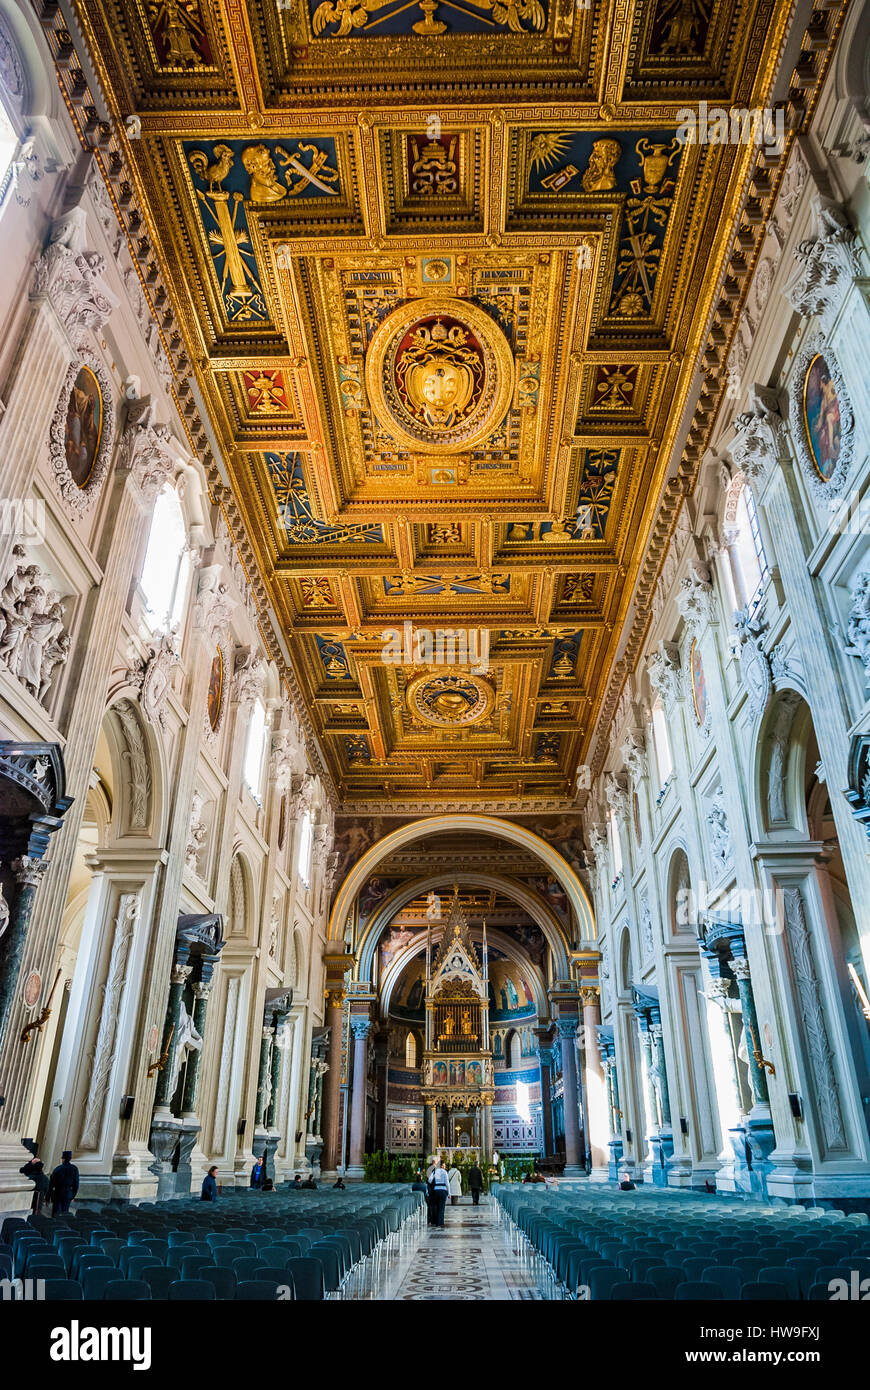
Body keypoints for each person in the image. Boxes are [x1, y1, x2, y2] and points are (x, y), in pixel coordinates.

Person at [48, 1150, 79, 1215]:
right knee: (65, 1213)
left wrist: (48, 1197)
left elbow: (51, 1184)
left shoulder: (58, 1169)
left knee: (56, 1213)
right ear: (70, 1159)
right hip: (68, 1194)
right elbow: (76, 1184)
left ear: (63, 1159)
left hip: (58, 1193)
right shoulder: (74, 1169)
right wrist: (73, 1196)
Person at [430, 1159, 449, 1227]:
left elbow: (429, 1180)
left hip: (436, 1190)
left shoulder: (435, 1171)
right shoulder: (444, 1172)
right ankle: (441, 1222)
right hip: (443, 1190)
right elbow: (447, 1183)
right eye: (444, 1165)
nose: (444, 1167)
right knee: (442, 1207)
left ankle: (436, 1222)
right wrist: (449, 1193)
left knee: (437, 1206)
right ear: (441, 1165)